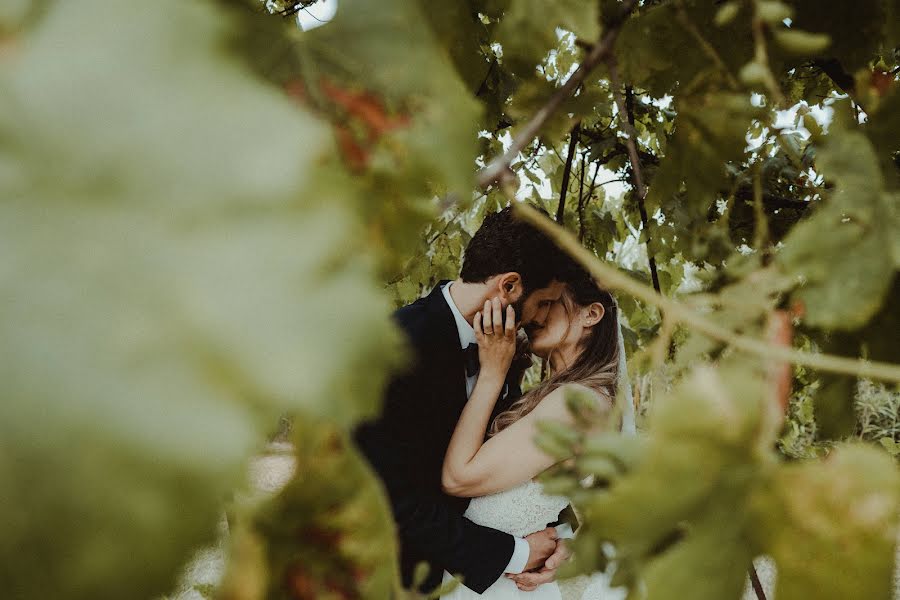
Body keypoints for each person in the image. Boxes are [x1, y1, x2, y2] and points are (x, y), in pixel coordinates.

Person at [353, 207, 577, 594]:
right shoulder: (390, 350)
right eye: (543, 303)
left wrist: (558, 536)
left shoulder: (502, 349)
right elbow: (389, 500)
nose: (541, 318)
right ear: (509, 286)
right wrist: (517, 554)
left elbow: (510, 465)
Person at [439, 271, 633, 599]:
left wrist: (492, 374)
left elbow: (458, 478)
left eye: (549, 302)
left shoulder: (577, 404)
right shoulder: (574, 397)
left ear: (592, 313)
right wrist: (567, 540)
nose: (534, 313)